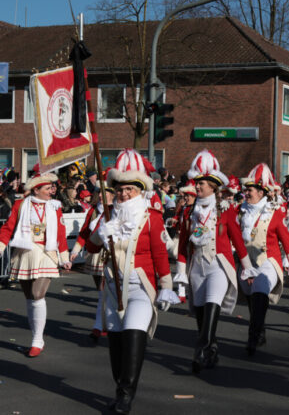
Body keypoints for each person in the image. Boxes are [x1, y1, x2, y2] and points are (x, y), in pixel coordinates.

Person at [88, 149, 178, 414]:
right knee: (116, 348)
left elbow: (160, 254)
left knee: (133, 335)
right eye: (120, 189)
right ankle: (120, 387)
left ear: (140, 190)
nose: (124, 194)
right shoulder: (108, 216)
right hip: (113, 291)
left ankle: (126, 395)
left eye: (130, 189)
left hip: (141, 288)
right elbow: (91, 249)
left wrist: (166, 286)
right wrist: (101, 232)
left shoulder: (152, 218)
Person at [175, 150, 254, 373]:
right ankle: (211, 348)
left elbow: (238, 241)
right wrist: (181, 272)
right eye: (196, 182)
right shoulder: (189, 211)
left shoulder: (226, 211)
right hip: (197, 267)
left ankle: (199, 353)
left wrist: (247, 269)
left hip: (218, 267)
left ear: (213, 186)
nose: (197, 186)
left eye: (202, 183)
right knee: (200, 314)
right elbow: (182, 245)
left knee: (211, 308)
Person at [0, 172, 71, 357]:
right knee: (29, 296)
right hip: (25, 251)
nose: (51, 191)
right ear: (36, 189)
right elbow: (9, 226)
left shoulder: (55, 207)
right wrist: (0, 246)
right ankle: (37, 336)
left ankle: (37, 340)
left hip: (46, 253)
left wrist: (65, 257)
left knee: (38, 294)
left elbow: (60, 232)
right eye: (47, 188)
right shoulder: (21, 205)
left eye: (51, 188)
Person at [239, 163, 289, 354]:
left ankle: (253, 335)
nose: (247, 193)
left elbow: (285, 238)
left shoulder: (273, 214)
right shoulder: (239, 212)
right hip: (246, 262)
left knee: (259, 291)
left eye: (250, 190)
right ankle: (259, 329)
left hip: (269, 260)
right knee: (252, 299)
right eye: (246, 190)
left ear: (261, 192)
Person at [70, 180, 115, 343]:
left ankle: (101, 325)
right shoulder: (94, 211)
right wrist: (75, 251)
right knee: (101, 290)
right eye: (100, 193)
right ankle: (102, 324)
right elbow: (84, 232)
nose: (102, 197)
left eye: (106, 193)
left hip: (112, 253)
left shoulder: (117, 210)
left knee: (107, 290)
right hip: (95, 253)